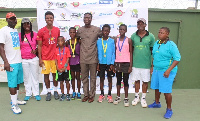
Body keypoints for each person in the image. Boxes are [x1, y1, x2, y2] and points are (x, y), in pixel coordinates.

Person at [148, 27, 181, 119]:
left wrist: (168, 70)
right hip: (157, 70)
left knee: (166, 91)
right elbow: (154, 56)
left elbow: (177, 59)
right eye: (159, 32)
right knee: (156, 87)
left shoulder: (171, 45)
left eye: (162, 32)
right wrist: (152, 67)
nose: (159, 34)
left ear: (167, 34)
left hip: (167, 71)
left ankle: (169, 109)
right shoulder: (156, 43)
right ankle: (157, 103)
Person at [0, 12, 26, 114]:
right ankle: (13, 105)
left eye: (14, 18)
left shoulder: (15, 30)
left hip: (18, 61)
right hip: (11, 63)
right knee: (12, 83)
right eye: (11, 19)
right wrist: (6, 62)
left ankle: (15, 99)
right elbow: (1, 47)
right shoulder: (3, 31)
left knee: (18, 82)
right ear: (7, 20)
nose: (13, 20)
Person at [76, 12, 102, 103]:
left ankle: (92, 95)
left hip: (93, 58)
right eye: (85, 17)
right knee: (84, 78)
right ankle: (86, 95)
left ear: (91, 19)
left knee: (93, 78)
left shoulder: (97, 29)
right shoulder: (80, 30)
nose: (86, 19)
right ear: (83, 19)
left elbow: (104, 38)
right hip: (83, 58)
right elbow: (76, 39)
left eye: (88, 17)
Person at [130, 18, 155, 108]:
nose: (140, 25)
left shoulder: (151, 36)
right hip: (136, 64)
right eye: (138, 23)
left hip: (146, 64)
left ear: (145, 25)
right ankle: (136, 97)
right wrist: (131, 64)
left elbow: (153, 51)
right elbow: (131, 50)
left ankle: (143, 98)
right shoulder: (133, 36)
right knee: (136, 81)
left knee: (145, 81)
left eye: (142, 23)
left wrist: (152, 65)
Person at [37, 11, 60, 101]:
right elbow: (39, 45)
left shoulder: (57, 30)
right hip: (45, 58)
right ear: (45, 19)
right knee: (46, 76)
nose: (49, 19)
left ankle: (55, 91)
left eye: (50, 18)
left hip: (54, 57)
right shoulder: (41, 31)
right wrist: (40, 59)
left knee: (55, 75)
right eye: (47, 18)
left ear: (53, 19)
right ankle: (48, 92)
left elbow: (58, 43)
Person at [19, 18, 41, 101]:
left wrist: (36, 50)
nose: (26, 25)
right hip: (24, 59)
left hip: (33, 59)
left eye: (28, 23)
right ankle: (28, 93)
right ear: (22, 26)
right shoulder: (19, 35)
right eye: (24, 24)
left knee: (35, 76)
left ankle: (36, 93)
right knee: (26, 77)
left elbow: (39, 45)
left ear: (30, 25)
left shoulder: (35, 34)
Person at [113, 24, 132, 107]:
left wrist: (130, 66)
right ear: (119, 30)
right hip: (118, 62)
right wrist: (114, 64)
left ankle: (126, 98)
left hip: (126, 63)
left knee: (125, 81)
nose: (122, 31)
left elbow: (131, 53)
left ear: (126, 31)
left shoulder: (129, 40)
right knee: (118, 80)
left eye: (123, 29)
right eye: (120, 29)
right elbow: (115, 52)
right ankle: (118, 96)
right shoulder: (116, 40)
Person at [96, 24, 115, 103]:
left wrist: (112, 63)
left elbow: (113, 52)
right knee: (101, 78)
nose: (106, 32)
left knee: (110, 79)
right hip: (101, 63)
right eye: (104, 30)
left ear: (109, 31)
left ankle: (109, 94)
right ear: (102, 31)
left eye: (107, 31)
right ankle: (102, 94)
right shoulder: (98, 41)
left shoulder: (111, 41)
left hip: (109, 63)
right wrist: (97, 63)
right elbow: (96, 52)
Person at [55, 36, 71, 101]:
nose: (60, 42)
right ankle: (62, 94)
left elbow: (68, 58)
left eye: (62, 41)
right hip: (59, 69)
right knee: (61, 82)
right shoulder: (56, 50)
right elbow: (55, 59)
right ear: (57, 42)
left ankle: (68, 94)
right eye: (58, 41)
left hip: (66, 69)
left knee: (67, 81)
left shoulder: (67, 49)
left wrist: (65, 67)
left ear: (64, 42)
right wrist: (57, 67)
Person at [67, 27, 81, 100]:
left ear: (76, 33)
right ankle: (73, 92)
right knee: (72, 78)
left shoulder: (79, 41)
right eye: (71, 32)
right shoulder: (67, 42)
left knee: (78, 77)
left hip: (78, 61)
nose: (72, 34)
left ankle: (79, 92)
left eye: (74, 32)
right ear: (69, 33)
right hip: (71, 62)